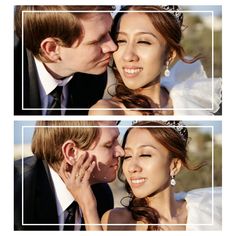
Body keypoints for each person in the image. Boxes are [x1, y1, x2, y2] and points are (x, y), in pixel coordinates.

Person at [60, 120, 222, 231]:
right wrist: (88, 208)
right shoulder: (117, 221)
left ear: (174, 165)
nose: (131, 167)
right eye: (128, 156)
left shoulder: (209, 208)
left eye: (145, 155)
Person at [89, 5, 222, 115]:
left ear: (169, 55)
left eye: (143, 42)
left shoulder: (187, 95)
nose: (128, 56)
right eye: (121, 41)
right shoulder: (108, 112)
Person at [14, 120, 124, 230]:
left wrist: (89, 209)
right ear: (71, 152)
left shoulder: (102, 195)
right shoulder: (15, 193)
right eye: (109, 145)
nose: (121, 152)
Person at [14, 6, 117, 115]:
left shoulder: (93, 74)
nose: (113, 46)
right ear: (52, 49)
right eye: (96, 41)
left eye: (109, 33)